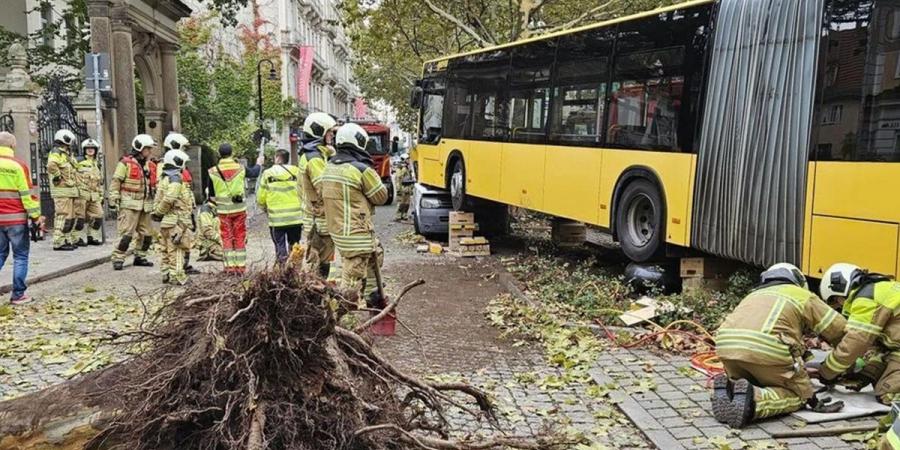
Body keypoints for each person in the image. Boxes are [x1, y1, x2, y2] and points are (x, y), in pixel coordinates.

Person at [711, 263, 847, 428]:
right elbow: (840, 330)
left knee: (754, 380)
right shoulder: (802, 295)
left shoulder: (752, 295)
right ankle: (754, 399)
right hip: (765, 351)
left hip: (727, 348)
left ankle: (732, 390)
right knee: (798, 396)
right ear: (797, 280)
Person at [320, 123, 389, 308]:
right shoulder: (360, 169)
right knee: (351, 283)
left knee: (377, 255)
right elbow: (382, 197)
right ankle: (343, 319)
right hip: (357, 235)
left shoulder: (329, 167)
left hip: (338, 232)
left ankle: (373, 297)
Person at [813, 263, 900, 403]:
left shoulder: (866, 298)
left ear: (840, 289)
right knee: (878, 372)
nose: (840, 305)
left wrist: (827, 372)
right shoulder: (880, 289)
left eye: (836, 300)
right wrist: (866, 373)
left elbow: (854, 344)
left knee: (887, 394)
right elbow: (876, 345)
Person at [207, 143, 262, 274]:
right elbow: (254, 173)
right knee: (239, 236)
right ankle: (241, 267)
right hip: (239, 210)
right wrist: (259, 163)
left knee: (226, 237)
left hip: (223, 211)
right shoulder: (240, 168)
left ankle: (229, 267)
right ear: (232, 153)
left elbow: (212, 194)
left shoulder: (213, 171)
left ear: (219, 154)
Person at [0, 132, 42, 304]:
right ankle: (18, 294)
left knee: (0, 254)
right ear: (13, 146)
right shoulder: (19, 166)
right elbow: (27, 195)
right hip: (16, 219)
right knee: (21, 256)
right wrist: (36, 216)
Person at [108, 134, 157, 270]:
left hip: (145, 205)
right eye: (148, 148)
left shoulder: (149, 165)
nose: (150, 151)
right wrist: (113, 199)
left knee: (147, 234)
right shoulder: (125, 163)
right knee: (126, 234)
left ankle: (140, 256)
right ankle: (118, 258)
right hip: (129, 204)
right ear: (140, 149)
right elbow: (116, 181)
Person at [298, 112, 338, 276]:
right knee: (322, 260)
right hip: (319, 218)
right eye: (329, 132)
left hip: (313, 215)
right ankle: (320, 293)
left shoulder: (311, 155)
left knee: (319, 259)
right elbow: (324, 188)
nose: (331, 135)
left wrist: (331, 154)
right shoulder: (315, 159)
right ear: (319, 132)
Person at [151, 149, 194, 285]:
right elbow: (170, 199)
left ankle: (166, 274)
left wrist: (157, 213)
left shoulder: (165, 178)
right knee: (177, 250)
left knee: (165, 249)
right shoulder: (175, 179)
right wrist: (159, 212)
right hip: (176, 221)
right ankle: (177, 277)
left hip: (166, 222)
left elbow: (159, 198)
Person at [162, 133, 200, 275]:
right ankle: (176, 271)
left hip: (185, 209)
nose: (184, 151)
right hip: (175, 212)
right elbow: (167, 193)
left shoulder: (179, 166)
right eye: (182, 148)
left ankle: (183, 266)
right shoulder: (166, 167)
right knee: (175, 243)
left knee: (186, 238)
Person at [257, 149, 303, 263]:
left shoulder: (268, 173)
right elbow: (303, 191)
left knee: (280, 244)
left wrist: (263, 207)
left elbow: (261, 197)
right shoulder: (297, 171)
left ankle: (283, 271)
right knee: (295, 244)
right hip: (295, 217)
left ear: (277, 158)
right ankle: (295, 269)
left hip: (277, 218)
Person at [47, 129, 80, 251]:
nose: (70, 145)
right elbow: (51, 165)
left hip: (69, 190)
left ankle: (67, 239)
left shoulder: (66, 154)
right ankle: (58, 242)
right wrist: (57, 176)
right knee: (62, 216)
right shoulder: (56, 153)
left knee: (70, 218)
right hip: (61, 191)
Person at [75, 139, 104, 246]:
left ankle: (92, 236)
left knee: (98, 215)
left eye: (92, 148)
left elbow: (99, 181)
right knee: (79, 217)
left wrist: (100, 195)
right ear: (84, 150)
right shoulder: (78, 161)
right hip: (81, 194)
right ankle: (77, 238)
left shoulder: (97, 163)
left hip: (94, 195)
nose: (90, 150)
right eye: (88, 148)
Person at [393, 154, 414, 222]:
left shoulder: (408, 168)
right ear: (404, 160)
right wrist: (398, 189)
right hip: (402, 188)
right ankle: (398, 216)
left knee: (407, 203)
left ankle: (404, 215)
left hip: (407, 188)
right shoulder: (400, 168)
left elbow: (410, 177)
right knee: (401, 203)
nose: (408, 160)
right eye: (407, 159)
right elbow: (398, 178)